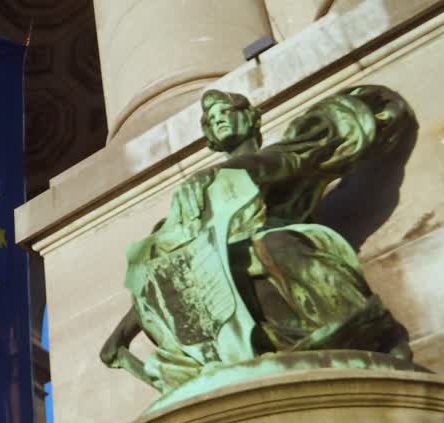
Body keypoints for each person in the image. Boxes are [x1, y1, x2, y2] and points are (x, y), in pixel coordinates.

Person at [101, 86, 413, 393]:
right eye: (212, 118)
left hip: (275, 244)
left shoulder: (274, 157)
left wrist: (219, 174)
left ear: (250, 118)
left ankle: (373, 329)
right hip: (220, 272)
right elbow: (160, 274)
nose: (219, 119)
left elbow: (277, 164)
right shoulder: (202, 191)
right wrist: (122, 334)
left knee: (275, 246)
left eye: (227, 112)